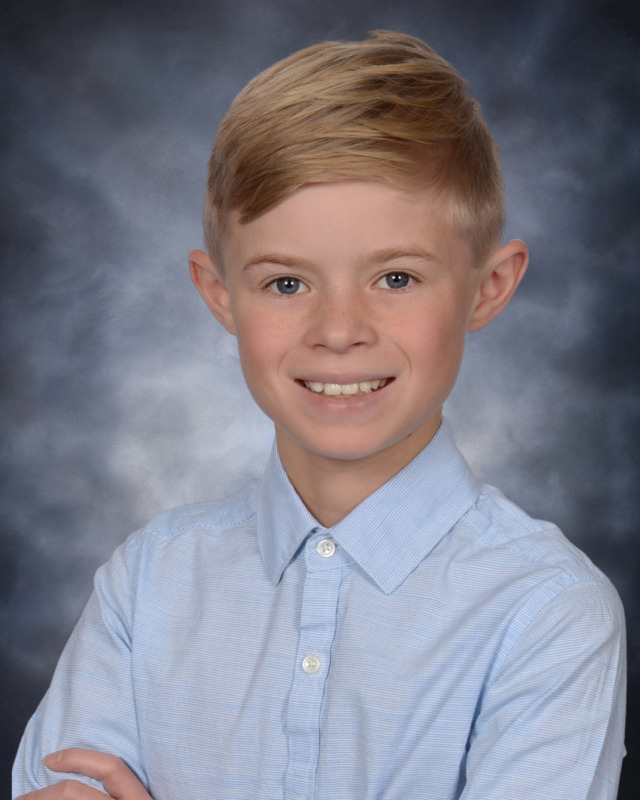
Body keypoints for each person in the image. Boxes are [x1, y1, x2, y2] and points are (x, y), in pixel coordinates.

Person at [13, 30, 626, 800]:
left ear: (489, 287)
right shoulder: (148, 585)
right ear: (219, 295)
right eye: (286, 284)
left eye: (396, 277)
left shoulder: (547, 611)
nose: (340, 331)